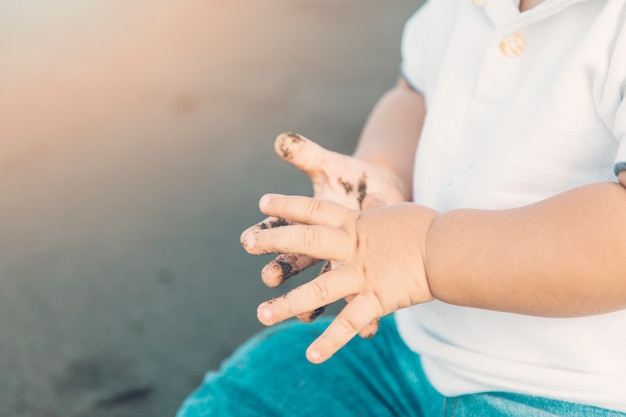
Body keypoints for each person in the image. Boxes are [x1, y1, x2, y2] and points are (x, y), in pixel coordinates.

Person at [176, 0, 626, 415]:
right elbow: (415, 92)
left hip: (574, 392)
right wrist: (382, 173)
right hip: (411, 345)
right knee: (255, 388)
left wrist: (426, 254)